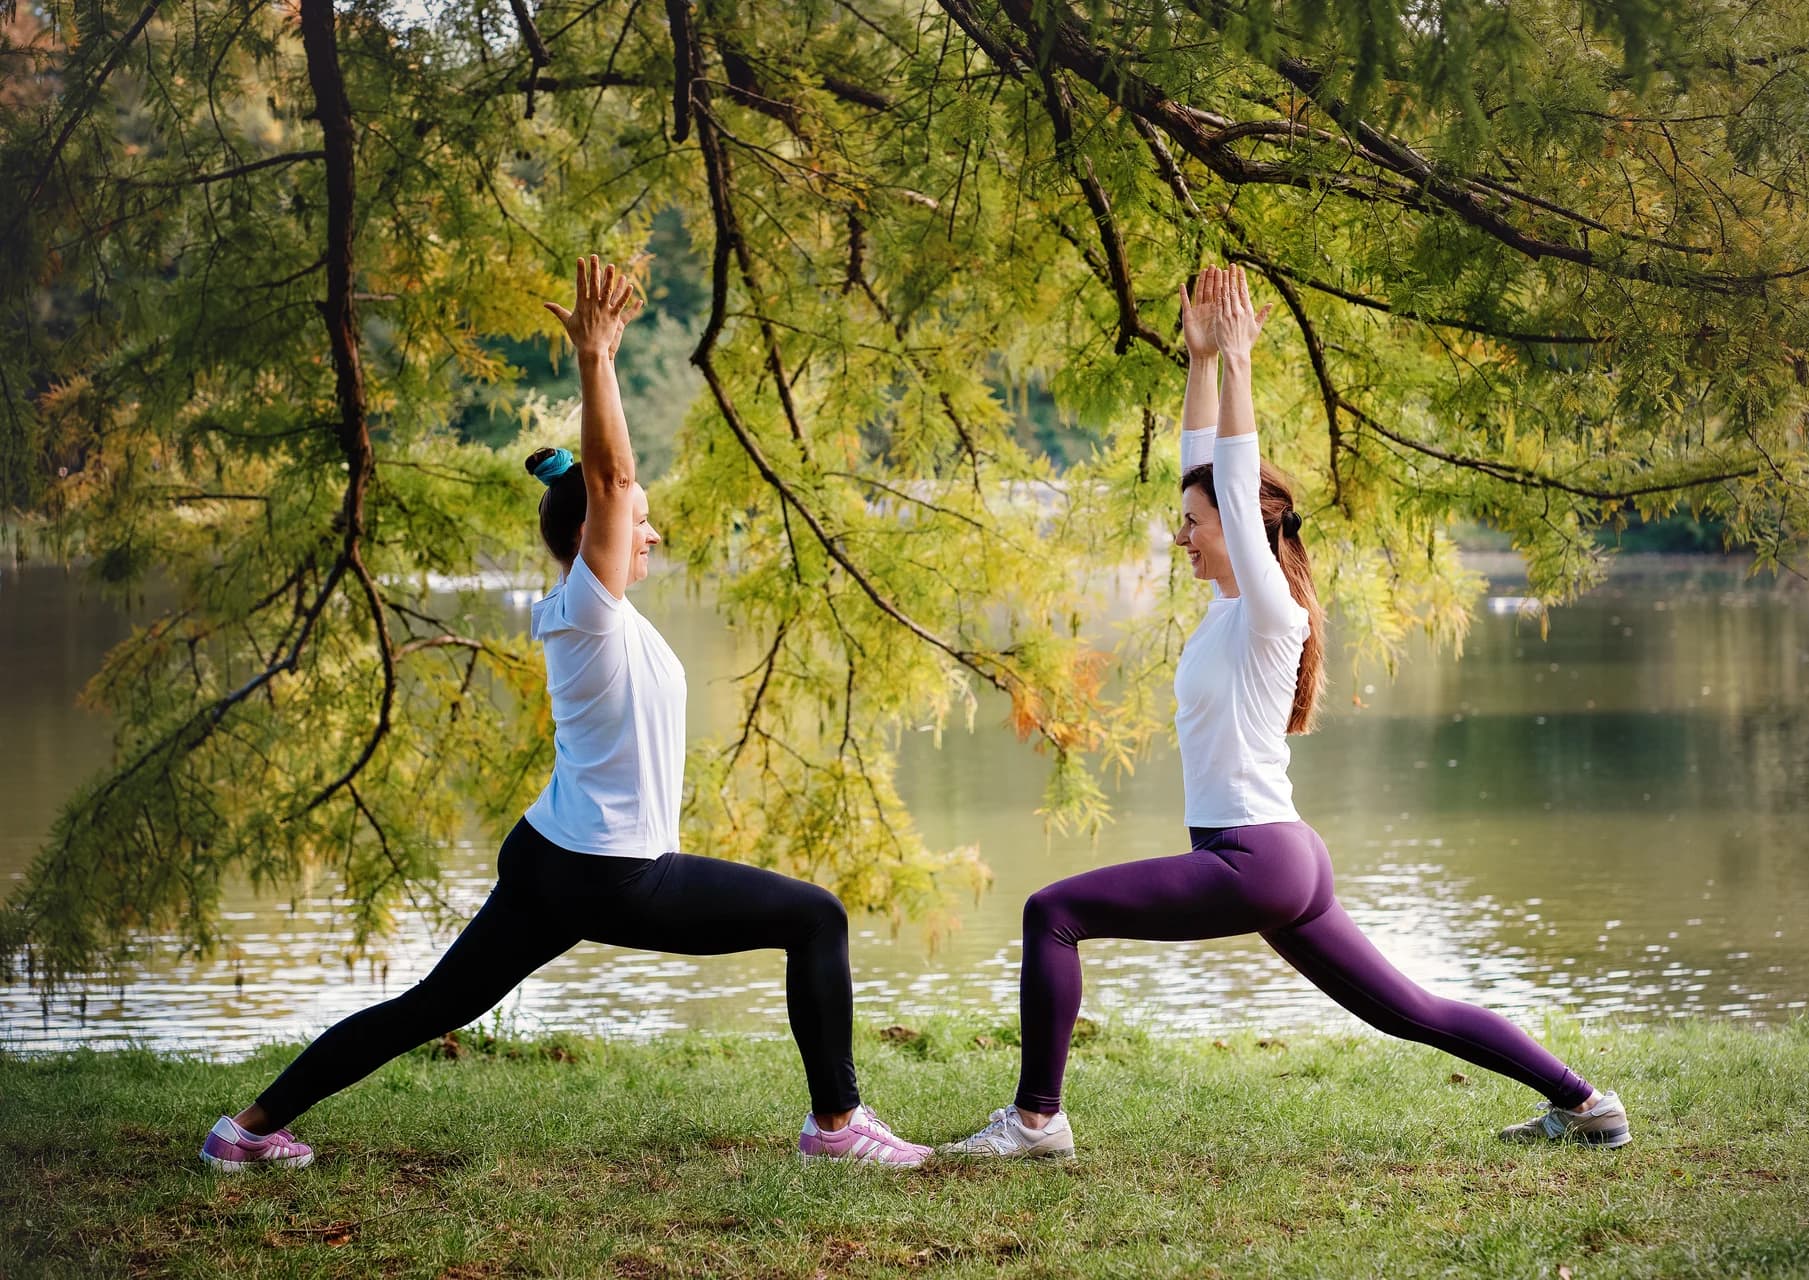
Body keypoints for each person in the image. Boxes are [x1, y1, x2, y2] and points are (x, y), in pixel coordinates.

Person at [200, 256, 930, 1171]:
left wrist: (572, 457)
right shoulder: (589, 610)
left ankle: (246, 1131)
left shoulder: (596, 618)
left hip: (551, 852)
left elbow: (608, 490)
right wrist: (596, 360)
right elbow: (614, 479)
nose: (652, 532)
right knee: (815, 917)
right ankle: (838, 1129)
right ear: (595, 537)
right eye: (638, 522)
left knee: (433, 1006)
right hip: (608, 870)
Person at [943, 265, 1629, 1160]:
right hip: (1281, 856)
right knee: (1410, 1012)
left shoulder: (1273, 610)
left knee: (1051, 912)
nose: (1180, 535)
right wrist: (1199, 363)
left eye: (1193, 523)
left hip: (1251, 858)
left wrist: (1240, 364)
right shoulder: (1231, 609)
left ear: (1241, 527)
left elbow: (1227, 474)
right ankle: (1585, 1103)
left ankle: (1037, 1122)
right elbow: (1206, 465)